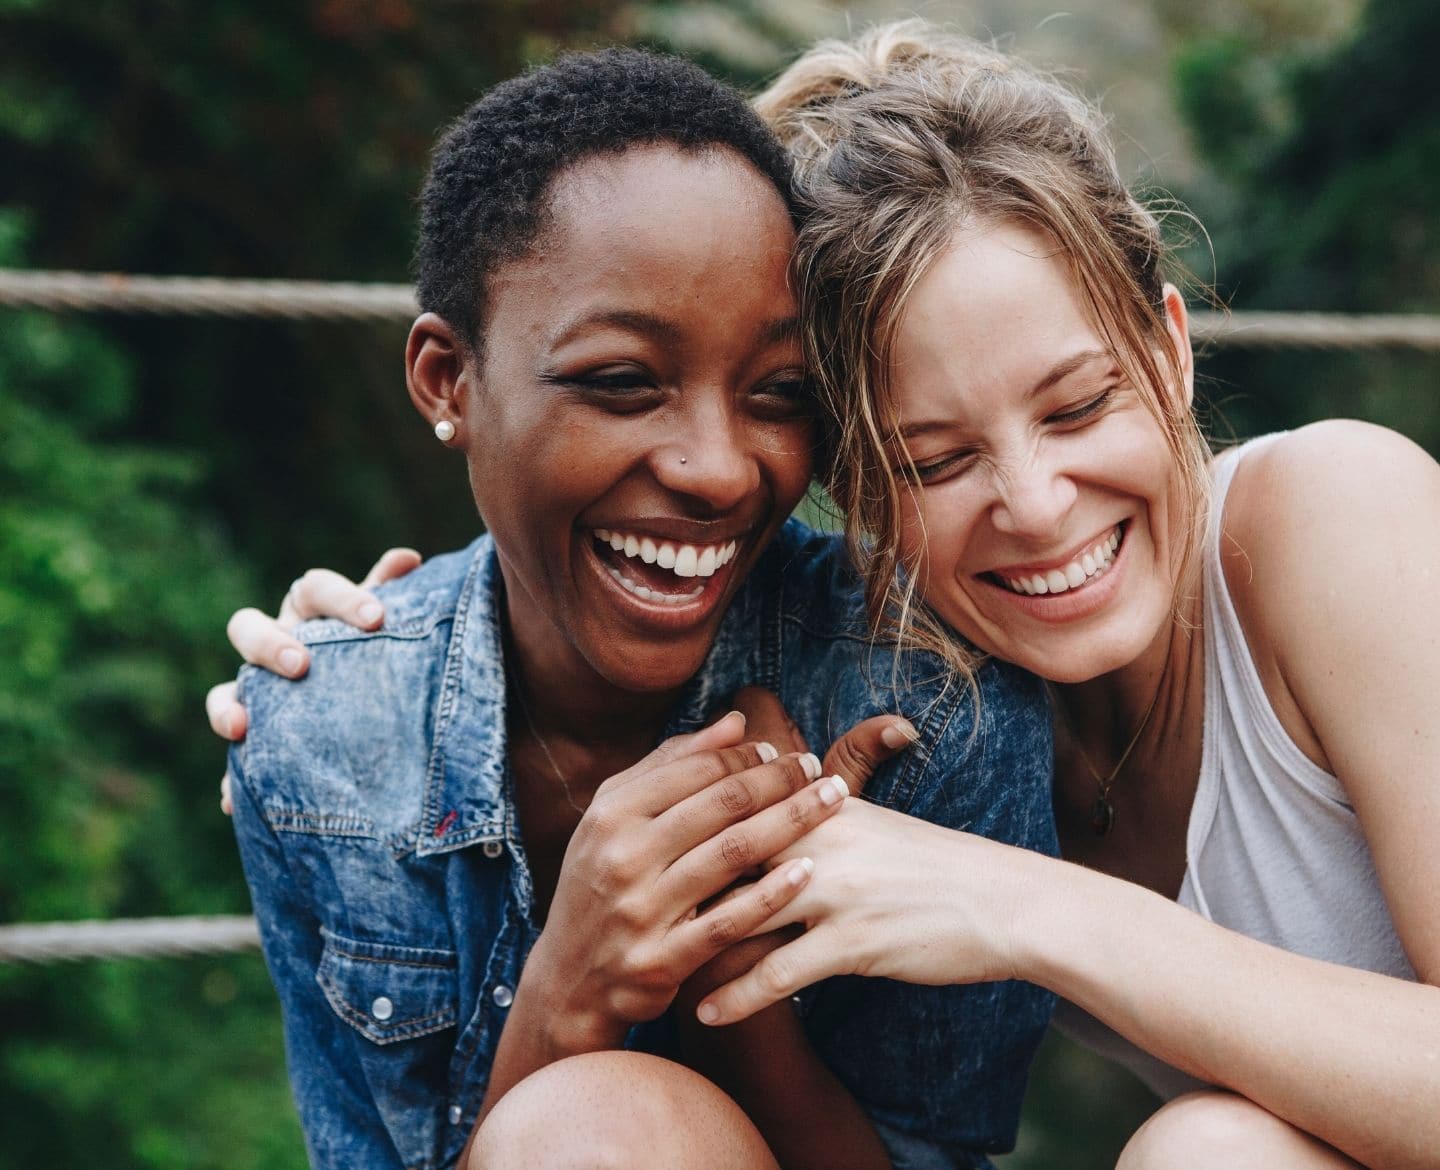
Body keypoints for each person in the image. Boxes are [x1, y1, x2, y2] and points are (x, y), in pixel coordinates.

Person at [219, 46, 1055, 1170]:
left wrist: (738, 975)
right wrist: (570, 990)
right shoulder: (321, 745)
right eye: (621, 382)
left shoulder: (925, 703)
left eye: (780, 394)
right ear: (446, 381)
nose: (718, 470)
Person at [673, 23, 1440, 1170]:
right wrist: (365, 640)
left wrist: (1033, 911)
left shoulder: (1332, 514)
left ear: (1169, 351)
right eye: (933, 462)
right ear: (856, 500)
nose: (1035, 506)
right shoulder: (920, 704)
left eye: (1078, 407)